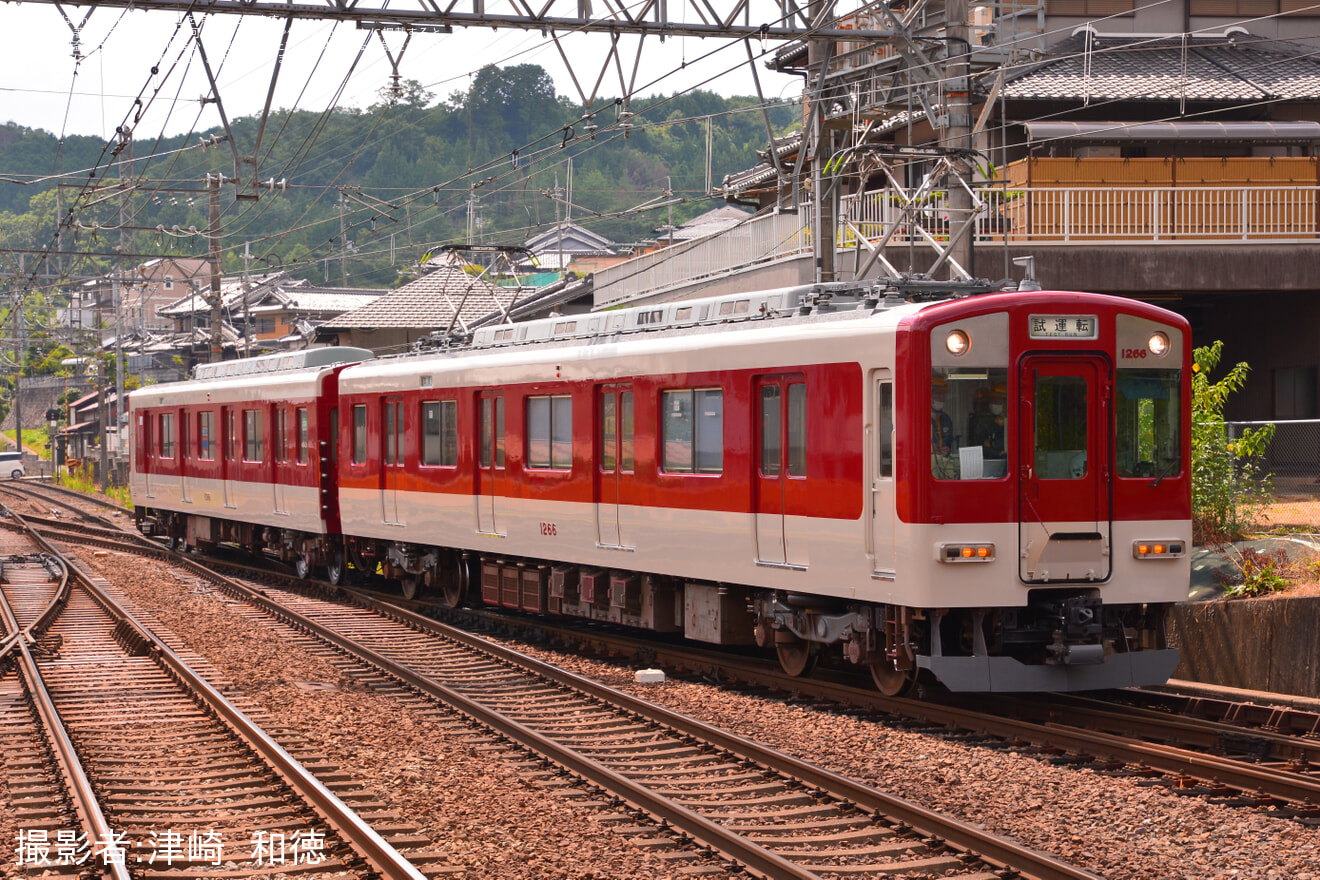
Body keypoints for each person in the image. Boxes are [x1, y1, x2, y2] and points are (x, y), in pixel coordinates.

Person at [968, 383, 1006, 459]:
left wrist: (993, 444)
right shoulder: (984, 422)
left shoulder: (1013, 421)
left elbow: (1012, 444)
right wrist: (998, 452)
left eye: (998, 401)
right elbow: (979, 446)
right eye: (992, 401)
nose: (994, 404)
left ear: (1005, 402)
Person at [931, 378, 954, 456]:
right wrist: (929, 449)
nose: (941, 398)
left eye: (943, 394)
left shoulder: (946, 419)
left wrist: (947, 449)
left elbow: (950, 441)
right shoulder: (920, 419)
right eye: (938, 394)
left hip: (944, 464)